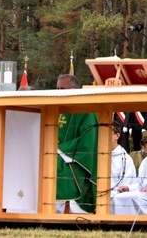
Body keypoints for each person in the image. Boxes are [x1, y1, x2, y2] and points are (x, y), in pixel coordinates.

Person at [55, 73, 98, 214]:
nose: (59, 93)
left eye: (63, 89)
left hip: (74, 162)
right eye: (57, 89)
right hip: (52, 155)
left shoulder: (87, 111)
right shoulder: (52, 108)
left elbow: (88, 142)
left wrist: (59, 150)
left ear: (75, 89)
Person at [109, 124, 137, 200]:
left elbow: (125, 185)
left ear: (117, 135)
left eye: (107, 133)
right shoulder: (93, 155)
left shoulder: (125, 159)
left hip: (115, 199)